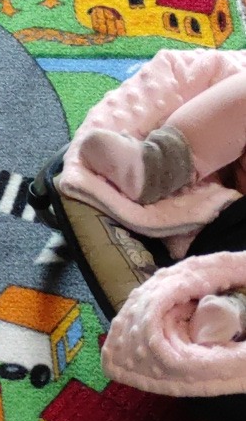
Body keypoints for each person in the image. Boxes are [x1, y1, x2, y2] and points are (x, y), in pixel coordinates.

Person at [77, 71, 246, 344]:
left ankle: (232, 313)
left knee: (231, 300)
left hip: (230, 247)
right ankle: (156, 166)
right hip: (224, 210)